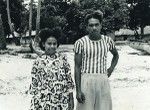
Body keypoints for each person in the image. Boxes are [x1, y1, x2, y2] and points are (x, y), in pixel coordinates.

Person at [74, 10, 119, 110]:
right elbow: (77, 67)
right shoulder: (80, 43)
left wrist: (111, 69)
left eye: (96, 24)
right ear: (87, 27)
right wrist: (78, 90)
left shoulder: (108, 41)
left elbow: (116, 55)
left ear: (101, 25)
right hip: (86, 80)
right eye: (91, 25)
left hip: (103, 79)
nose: (94, 28)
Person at [29, 28, 74, 110]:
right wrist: (35, 104)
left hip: (61, 100)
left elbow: (69, 81)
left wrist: (71, 99)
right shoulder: (38, 62)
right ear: (43, 44)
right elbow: (34, 84)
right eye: (49, 44)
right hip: (43, 101)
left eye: (54, 44)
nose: (52, 46)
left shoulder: (63, 60)